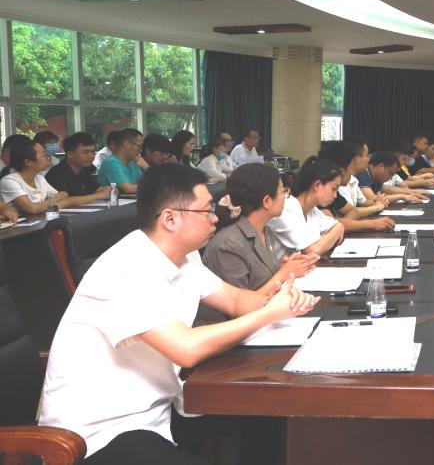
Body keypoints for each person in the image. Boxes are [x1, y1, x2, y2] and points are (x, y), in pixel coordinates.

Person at [38, 163, 319, 463]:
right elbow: (185, 348)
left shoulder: (185, 257)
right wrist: (268, 314)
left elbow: (236, 300)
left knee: (270, 413)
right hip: (99, 434)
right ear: (170, 219)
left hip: (160, 409)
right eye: (207, 211)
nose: (215, 218)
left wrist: (281, 297)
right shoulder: (125, 269)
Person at [196, 164, 318, 325]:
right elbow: (237, 310)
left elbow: (262, 281)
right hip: (232, 332)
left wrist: (285, 268)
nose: (285, 196)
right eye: (283, 191)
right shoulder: (228, 244)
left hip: (262, 323)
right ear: (267, 201)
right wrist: (282, 274)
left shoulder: (264, 231)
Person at [265, 156, 346, 259]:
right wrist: (339, 228)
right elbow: (312, 251)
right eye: (333, 189)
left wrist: (338, 227)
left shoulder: (312, 210)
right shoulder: (286, 208)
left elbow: (333, 226)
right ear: (317, 185)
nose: (335, 195)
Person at [1, 138, 106, 213]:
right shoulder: (10, 181)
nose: (48, 158)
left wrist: (46, 204)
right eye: (43, 155)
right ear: (28, 162)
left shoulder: (39, 178)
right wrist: (53, 202)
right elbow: (32, 208)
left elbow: (64, 195)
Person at [318, 141, 396, 234]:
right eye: (350, 168)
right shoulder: (321, 191)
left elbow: (351, 212)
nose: (351, 174)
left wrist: (344, 223)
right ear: (340, 170)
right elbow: (332, 226)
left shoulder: (332, 189)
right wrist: (372, 223)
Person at [46, 132, 112, 201]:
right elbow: (65, 200)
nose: (91, 156)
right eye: (86, 152)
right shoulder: (56, 174)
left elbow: (97, 189)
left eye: (93, 152)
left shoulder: (86, 169)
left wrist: (106, 190)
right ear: (70, 154)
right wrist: (99, 195)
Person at [339, 136, 388, 216]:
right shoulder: (340, 181)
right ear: (356, 158)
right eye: (367, 155)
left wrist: (378, 201)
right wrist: (377, 207)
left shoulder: (353, 178)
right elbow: (350, 211)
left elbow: (364, 202)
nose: (368, 160)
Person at [358, 150, 428, 203]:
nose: (391, 177)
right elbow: (372, 199)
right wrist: (402, 196)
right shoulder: (362, 173)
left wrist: (412, 192)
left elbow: (389, 189)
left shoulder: (375, 177)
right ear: (380, 166)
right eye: (390, 173)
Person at [97, 128, 144, 194]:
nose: (140, 150)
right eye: (139, 146)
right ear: (127, 144)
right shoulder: (111, 163)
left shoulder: (133, 162)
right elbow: (128, 189)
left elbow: (144, 182)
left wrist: (146, 167)